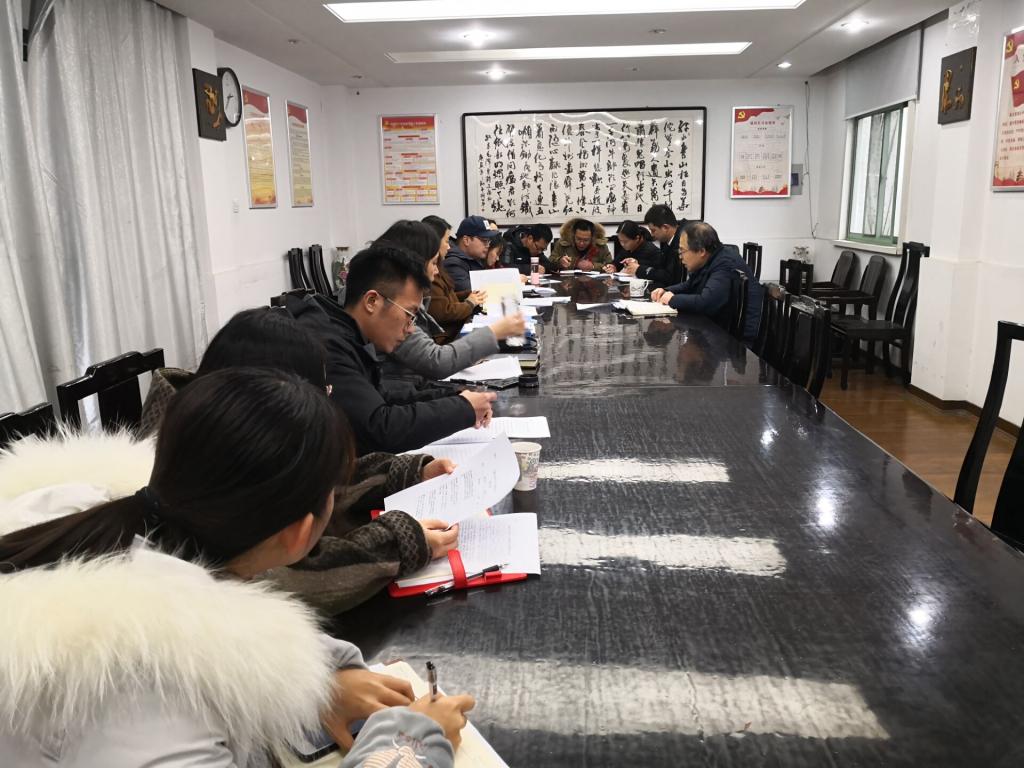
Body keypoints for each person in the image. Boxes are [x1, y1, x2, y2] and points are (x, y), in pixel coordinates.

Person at [0, 369, 474, 767]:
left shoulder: (85, 514)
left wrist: (315, 679)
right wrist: (411, 742)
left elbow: (227, 620)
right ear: (300, 533)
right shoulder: (148, 696)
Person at [130, 306, 458, 612]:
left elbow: (310, 481)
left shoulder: (201, 435)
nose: (328, 398)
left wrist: (404, 474)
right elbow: (281, 577)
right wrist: (399, 541)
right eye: (321, 391)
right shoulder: (189, 489)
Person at [287, 243, 496, 454]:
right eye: (409, 314)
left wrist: (454, 396)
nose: (411, 328)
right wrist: (462, 409)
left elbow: (384, 398)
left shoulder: (350, 335)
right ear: (372, 301)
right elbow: (379, 429)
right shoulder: (326, 345)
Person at [377, 220, 526, 381]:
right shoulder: (393, 307)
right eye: (434, 263)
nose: (436, 271)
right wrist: (494, 332)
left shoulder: (400, 299)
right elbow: (435, 361)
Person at [652, 221, 764, 341]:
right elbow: (691, 284)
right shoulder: (712, 257)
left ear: (701, 251)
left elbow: (707, 303)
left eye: (682, 251)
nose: (680, 257)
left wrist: (672, 299)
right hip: (723, 325)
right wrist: (666, 291)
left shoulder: (725, 263)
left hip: (741, 338)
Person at [423, 215, 487, 343]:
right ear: (434, 242)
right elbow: (442, 312)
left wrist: (468, 294)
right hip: (446, 339)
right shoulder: (431, 269)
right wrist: (470, 303)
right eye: (446, 241)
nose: (449, 247)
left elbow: (447, 297)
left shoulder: (438, 265)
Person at [606, 220, 677, 289]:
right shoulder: (626, 249)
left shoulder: (652, 251)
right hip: (628, 287)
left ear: (637, 238)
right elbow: (617, 262)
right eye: (620, 241)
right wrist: (613, 266)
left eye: (625, 241)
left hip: (647, 289)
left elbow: (661, 275)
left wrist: (638, 268)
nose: (622, 244)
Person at [442, 215, 501, 292]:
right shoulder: (453, 264)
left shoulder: (476, 258)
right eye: (484, 240)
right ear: (466, 240)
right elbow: (476, 293)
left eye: (488, 241)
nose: (488, 245)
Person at [643, 204, 687, 286]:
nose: (652, 234)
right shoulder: (666, 241)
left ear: (665, 228)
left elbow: (670, 277)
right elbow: (661, 269)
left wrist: (640, 270)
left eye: (653, 230)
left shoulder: (684, 242)